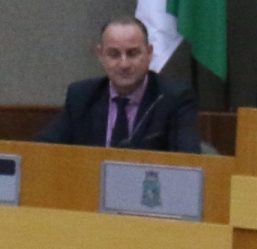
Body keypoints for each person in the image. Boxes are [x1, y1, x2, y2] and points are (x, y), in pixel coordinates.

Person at [38, 18, 201, 152]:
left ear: (149, 53)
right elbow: (42, 149)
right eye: (114, 54)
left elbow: (187, 160)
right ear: (101, 55)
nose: (124, 64)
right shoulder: (82, 95)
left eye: (133, 53)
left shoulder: (173, 98)